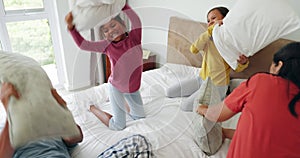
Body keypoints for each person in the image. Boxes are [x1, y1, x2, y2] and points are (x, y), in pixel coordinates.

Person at [197, 42, 300, 157]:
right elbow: (272, 139)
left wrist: (202, 109)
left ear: (279, 65)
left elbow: (217, 115)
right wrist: (226, 133)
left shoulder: (261, 82)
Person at [65, 3, 145, 130]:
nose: (111, 30)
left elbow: (136, 21)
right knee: (118, 126)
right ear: (104, 35)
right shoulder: (107, 46)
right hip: (117, 88)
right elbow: (83, 45)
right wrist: (71, 28)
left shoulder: (134, 38)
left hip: (133, 88)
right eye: (106, 30)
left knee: (140, 117)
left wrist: (123, 5)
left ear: (123, 24)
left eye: (113, 25)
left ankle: (123, 102)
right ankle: (93, 108)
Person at [166, 7, 249, 111]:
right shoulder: (207, 38)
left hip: (216, 84)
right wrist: (210, 31)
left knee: (185, 106)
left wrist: (243, 63)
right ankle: (202, 94)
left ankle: (221, 95)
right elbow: (194, 49)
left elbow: (237, 68)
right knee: (169, 92)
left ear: (225, 19)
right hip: (201, 79)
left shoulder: (231, 41)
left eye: (213, 18)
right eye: (208, 21)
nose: (210, 22)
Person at [0, 82, 83, 158]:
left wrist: (58, 109)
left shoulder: (52, 119)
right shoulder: (5, 129)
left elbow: (77, 137)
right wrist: (12, 115)